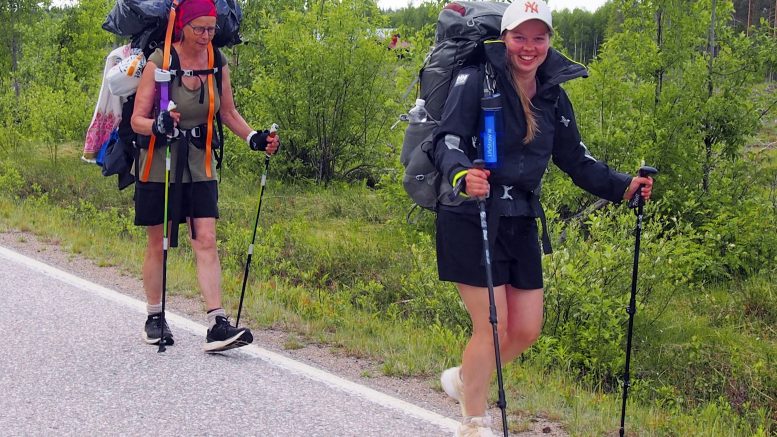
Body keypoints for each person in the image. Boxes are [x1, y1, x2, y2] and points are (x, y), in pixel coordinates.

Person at [433, 1, 653, 435]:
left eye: (539, 38)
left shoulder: (553, 92)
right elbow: (446, 140)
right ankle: (473, 421)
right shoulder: (476, 78)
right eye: (520, 37)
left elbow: (576, 159)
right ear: (506, 37)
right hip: (470, 213)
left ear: (550, 41)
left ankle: (463, 379)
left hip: (520, 218)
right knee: (492, 325)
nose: (529, 47)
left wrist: (624, 186)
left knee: (528, 328)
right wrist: (462, 173)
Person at [130, 0, 280, 352]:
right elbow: (137, 119)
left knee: (207, 238)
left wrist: (253, 138)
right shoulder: (160, 62)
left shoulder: (216, 62)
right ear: (183, 26)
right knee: (160, 241)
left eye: (212, 29)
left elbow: (227, 112)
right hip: (158, 159)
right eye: (200, 29)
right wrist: (159, 124)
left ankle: (217, 323)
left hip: (200, 160)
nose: (206, 36)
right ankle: (155, 317)